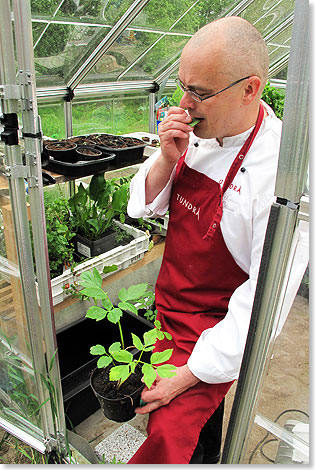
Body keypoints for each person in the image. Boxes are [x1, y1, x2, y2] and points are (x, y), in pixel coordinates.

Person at [127, 16, 282, 465]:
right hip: (168, 307)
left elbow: (262, 301)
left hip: (216, 328)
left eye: (200, 92)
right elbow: (142, 207)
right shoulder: (198, 132)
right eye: (182, 86)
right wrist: (165, 158)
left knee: (174, 435)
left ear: (250, 88)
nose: (184, 103)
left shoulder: (281, 177)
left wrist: (189, 374)